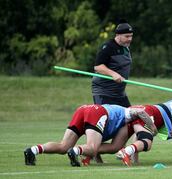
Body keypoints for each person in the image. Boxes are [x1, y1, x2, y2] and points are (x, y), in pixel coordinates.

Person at [23, 104, 156, 167]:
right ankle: (75, 151)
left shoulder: (118, 122)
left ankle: (33, 150)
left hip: (83, 109)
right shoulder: (127, 112)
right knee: (92, 148)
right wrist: (153, 127)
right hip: (96, 112)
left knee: (63, 146)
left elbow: (114, 145)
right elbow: (141, 112)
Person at [92, 20, 134, 107]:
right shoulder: (108, 47)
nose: (129, 39)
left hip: (119, 93)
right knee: (107, 119)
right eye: (127, 36)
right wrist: (113, 74)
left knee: (130, 118)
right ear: (118, 35)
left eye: (131, 36)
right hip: (104, 93)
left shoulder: (126, 47)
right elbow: (98, 67)